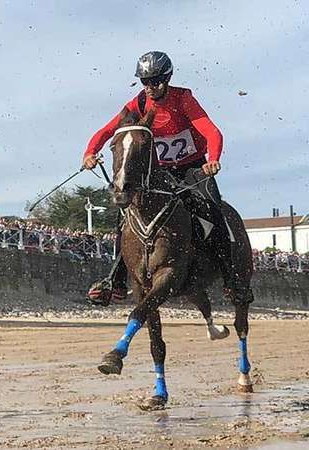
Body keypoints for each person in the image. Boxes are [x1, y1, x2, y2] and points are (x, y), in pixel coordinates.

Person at [82, 51, 227, 305]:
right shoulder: (137, 104)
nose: (150, 87)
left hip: (193, 168)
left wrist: (213, 158)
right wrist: (90, 152)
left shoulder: (183, 99)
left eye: (155, 81)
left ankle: (230, 275)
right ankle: (115, 281)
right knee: (126, 214)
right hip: (160, 172)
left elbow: (212, 131)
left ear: (167, 78)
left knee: (214, 210)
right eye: (145, 81)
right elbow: (106, 131)